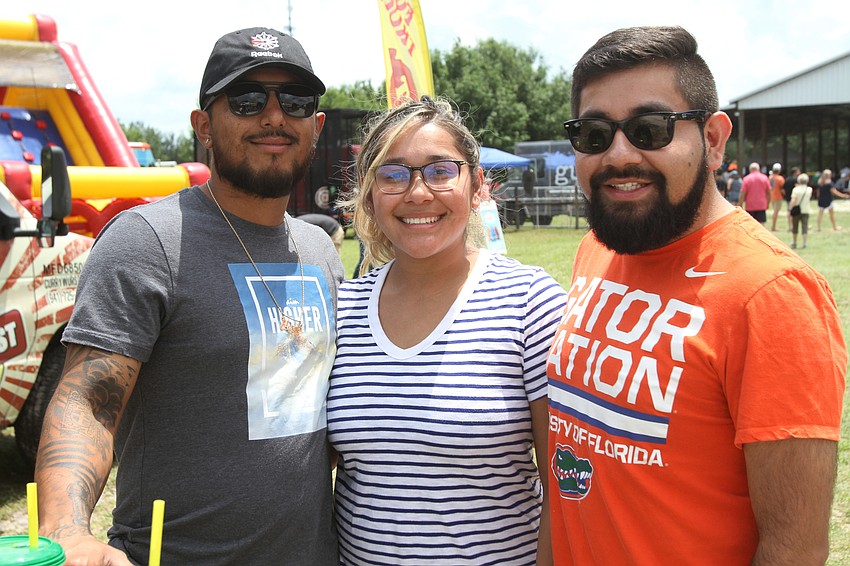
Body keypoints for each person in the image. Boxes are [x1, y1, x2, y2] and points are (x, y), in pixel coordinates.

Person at [35, 27, 343, 565]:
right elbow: (89, 400)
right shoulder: (146, 241)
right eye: (247, 100)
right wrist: (65, 529)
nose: (274, 116)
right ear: (203, 126)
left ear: (314, 127)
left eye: (295, 101)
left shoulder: (320, 250)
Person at [555, 25, 846, 564]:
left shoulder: (774, 294)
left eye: (649, 129)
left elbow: (794, 549)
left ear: (712, 140)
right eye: (593, 134)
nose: (619, 154)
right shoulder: (598, 247)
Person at [327, 96, 566, 565]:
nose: (418, 193)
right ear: (370, 196)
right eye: (393, 174)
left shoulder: (530, 303)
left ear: (477, 186)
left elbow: (563, 489)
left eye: (440, 171)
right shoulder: (344, 309)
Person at [789, 173, 813, 249]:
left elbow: (793, 200)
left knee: (795, 226)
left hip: (796, 210)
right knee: (805, 227)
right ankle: (805, 243)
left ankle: (794, 242)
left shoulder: (795, 190)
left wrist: (790, 208)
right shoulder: (809, 189)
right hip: (806, 210)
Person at [783, 165, 801, 232]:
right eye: (798, 171)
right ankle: (795, 226)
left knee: (789, 212)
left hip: (788, 198)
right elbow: (798, 188)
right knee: (797, 212)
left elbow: (783, 190)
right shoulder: (796, 180)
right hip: (795, 198)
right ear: (795, 172)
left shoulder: (787, 179)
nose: (799, 172)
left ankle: (790, 226)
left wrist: (786, 195)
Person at [768, 162, 785, 231]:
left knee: (774, 211)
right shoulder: (780, 178)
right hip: (778, 196)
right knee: (776, 212)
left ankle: (773, 226)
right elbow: (782, 188)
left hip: (772, 196)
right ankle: (773, 226)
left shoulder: (770, 177)